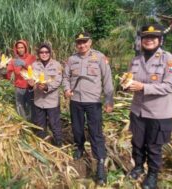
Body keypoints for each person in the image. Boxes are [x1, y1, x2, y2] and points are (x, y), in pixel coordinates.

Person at [127, 24, 172, 189]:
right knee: (137, 143)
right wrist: (126, 84)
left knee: (154, 146)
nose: (149, 40)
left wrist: (143, 87)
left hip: (159, 113)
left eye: (153, 37)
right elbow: (130, 80)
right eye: (146, 38)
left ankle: (152, 175)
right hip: (138, 110)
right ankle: (138, 167)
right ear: (141, 40)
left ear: (160, 40)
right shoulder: (135, 60)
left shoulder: (168, 60)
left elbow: (170, 86)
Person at [62, 32, 114, 186]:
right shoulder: (72, 59)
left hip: (93, 101)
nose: (82, 45)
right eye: (79, 42)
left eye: (84, 42)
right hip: (76, 100)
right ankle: (79, 147)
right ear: (76, 44)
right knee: (77, 128)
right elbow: (65, 77)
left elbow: (107, 79)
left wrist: (109, 100)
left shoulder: (99, 58)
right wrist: (66, 89)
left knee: (95, 132)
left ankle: (100, 163)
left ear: (90, 42)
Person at [28, 43, 63, 147]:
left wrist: (47, 87)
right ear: (38, 54)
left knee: (54, 124)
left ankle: (58, 144)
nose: (44, 54)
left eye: (46, 52)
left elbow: (58, 81)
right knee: (40, 125)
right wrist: (30, 85)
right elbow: (32, 80)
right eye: (41, 52)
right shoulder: (35, 65)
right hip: (38, 101)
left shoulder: (56, 65)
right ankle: (42, 145)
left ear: (50, 53)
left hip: (51, 101)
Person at [6, 40, 36, 121]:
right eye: (18, 48)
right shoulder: (14, 61)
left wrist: (25, 64)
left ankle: (31, 123)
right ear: (16, 49)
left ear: (25, 48)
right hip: (19, 88)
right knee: (20, 105)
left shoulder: (32, 58)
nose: (20, 49)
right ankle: (23, 123)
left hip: (30, 87)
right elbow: (8, 75)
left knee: (30, 106)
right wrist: (5, 68)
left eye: (22, 47)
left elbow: (36, 71)